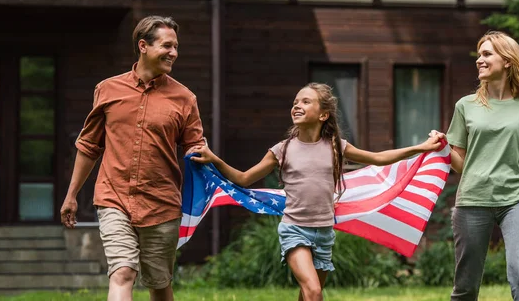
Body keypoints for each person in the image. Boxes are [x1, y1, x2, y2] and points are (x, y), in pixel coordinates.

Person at [189, 82, 442, 301]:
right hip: (294, 230)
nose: (297, 105)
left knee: (308, 294)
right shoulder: (282, 149)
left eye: (306, 101)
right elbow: (244, 179)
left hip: (324, 233)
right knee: (314, 292)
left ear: (323, 115)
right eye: (295, 102)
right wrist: (214, 160)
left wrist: (421, 147)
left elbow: (378, 158)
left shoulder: (335, 146)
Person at [60, 16, 206, 301]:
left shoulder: (184, 98)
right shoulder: (107, 90)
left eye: (176, 47)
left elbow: (195, 147)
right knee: (122, 272)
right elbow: (90, 145)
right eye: (167, 46)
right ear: (143, 46)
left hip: (161, 204)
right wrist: (71, 195)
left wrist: (202, 155)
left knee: (159, 283)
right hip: (113, 196)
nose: (174, 53)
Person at [431, 31, 519, 301]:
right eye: (478, 55)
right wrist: (444, 148)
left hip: (515, 199)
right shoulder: (466, 106)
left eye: (487, 54)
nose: (479, 61)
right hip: (473, 198)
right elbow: (461, 164)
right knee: (466, 288)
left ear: (507, 61)